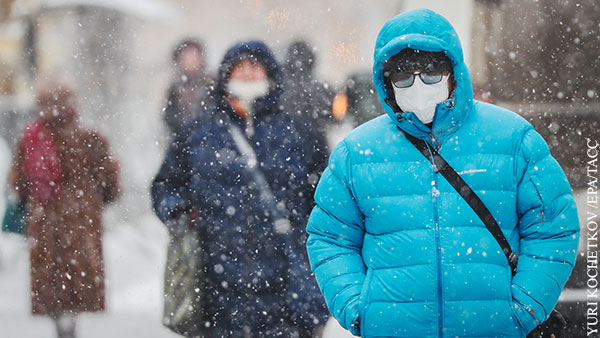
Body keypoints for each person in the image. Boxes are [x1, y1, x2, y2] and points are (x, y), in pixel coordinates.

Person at [306, 8, 579, 338]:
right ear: (387, 84)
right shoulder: (355, 153)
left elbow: (554, 227)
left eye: (431, 74)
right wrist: (359, 308)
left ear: (453, 73)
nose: (418, 86)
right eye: (404, 78)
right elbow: (329, 238)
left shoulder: (512, 139)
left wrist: (524, 307)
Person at [152, 40, 328, 338]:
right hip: (215, 285)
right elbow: (166, 185)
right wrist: (179, 212)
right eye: (240, 68)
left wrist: (311, 227)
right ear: (224, 77)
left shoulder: (299, 134)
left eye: (255, 68)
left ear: (271, 76)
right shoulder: (198, 134)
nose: (247, 75)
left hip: (286, 286)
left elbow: (328, 195)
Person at [10, 80, 120, 338]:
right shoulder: (91, 137)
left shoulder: (30, 139)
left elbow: (17, 184)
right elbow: (111, 184)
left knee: (51, 280)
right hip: (82, 221)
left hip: (44, 220)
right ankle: (71, 320)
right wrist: (90, 201)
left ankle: (60, 321)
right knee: (78, 278)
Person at [281, 40, 333, 192]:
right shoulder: (323, 88)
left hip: (289, 146)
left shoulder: (282, 89)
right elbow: (334, 117)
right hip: (317, 144)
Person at [163, 39, 212, 135]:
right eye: (186, 57)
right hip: (183, 140)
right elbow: (169, 118)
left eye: (194, 56)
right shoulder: (175, 88)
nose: (191, 61)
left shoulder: (211, 84)